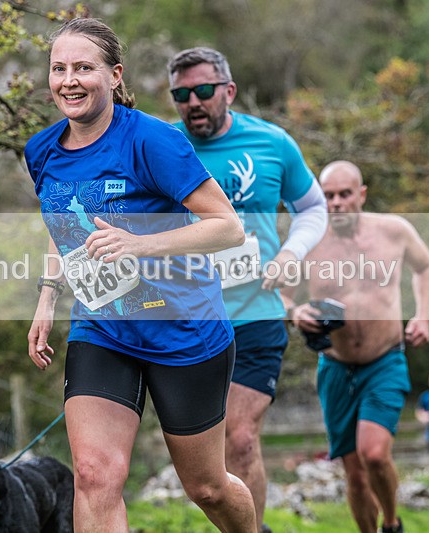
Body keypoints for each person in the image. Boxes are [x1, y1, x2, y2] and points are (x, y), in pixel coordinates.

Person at [24, 18, 256, 533]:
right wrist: (48, 297)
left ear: (114, 75)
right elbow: (63, 223)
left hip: (184, 330)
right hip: (102, 330)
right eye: (59, 69)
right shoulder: (41, 151)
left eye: (84, 68)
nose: (69, 81)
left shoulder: (152, 140)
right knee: (93, 476)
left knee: (207, 488)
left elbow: (228, 227)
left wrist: (139, 245)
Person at [166, 47, 327, 532]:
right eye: (181, 94)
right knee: (207, 465)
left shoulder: (272, 142)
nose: (193, 102)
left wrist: (291, 254)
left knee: (240, 439)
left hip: (256, 312)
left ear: (229, 91)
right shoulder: (162, 145)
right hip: (187, 320)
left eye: (203, 90)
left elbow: (312, 208)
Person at [285, 160, 429, 533]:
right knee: (353, 472)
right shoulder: (308, 237)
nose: (336, 203)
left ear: (362, 194)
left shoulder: (394, 231)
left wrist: (423, 316)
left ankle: (392, 523)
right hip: (335, 365)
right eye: (328, 196)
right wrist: (295, 312)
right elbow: (282, 294)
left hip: (384, 360)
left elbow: (426, 267)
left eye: (344, 194)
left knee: (374, 455)